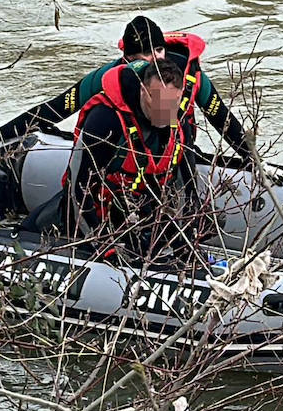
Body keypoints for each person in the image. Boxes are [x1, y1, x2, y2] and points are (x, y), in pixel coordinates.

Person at [0, 15, 253, 162]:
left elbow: (223, 121)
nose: (139, 69)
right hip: (126, 159)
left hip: (175, 157)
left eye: (147, 59)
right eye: (133, 61)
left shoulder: (191, 75)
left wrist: (255, 162)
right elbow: (54, 109)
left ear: (161, 52)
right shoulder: (111, 75)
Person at [66, 58, 201, 261]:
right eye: (157, 102)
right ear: (142, 91)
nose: (164, 113)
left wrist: (188, 242)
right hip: (101, 216)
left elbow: (187, 187)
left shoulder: (180, 125)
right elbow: (76, 189)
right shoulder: (104, 120)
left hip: (145, 212)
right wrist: (102, 245)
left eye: (171, 104)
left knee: (209, 221)